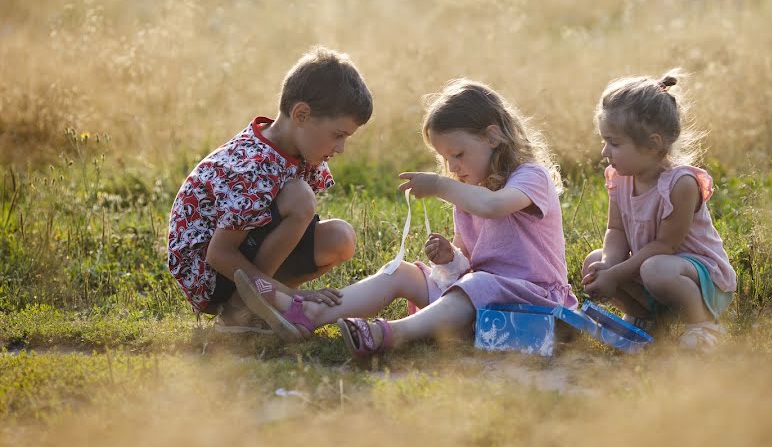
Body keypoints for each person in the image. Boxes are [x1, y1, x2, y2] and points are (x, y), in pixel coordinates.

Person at [237, 78, 577, 352]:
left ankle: (390, 334)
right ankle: (308, 314)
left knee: (479, 283)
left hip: (535, 300)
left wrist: (440, 185)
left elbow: (493, 207)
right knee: (403, 272)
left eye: (458, 154)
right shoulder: (469, 192)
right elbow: (467, 266)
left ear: (493, 136)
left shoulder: (530, 177)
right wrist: (449, 258)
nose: (453, 168)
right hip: (480, 299)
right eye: (446, 160)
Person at [166, 46, 371, 338]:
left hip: (246, 255)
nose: (341, 148)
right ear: (301, 114)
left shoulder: (300, 151)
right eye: (338, 135)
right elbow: (218, 254)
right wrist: (287, 293)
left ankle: (262, 303)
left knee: (341, 238)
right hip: (209, 273)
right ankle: (242, 309)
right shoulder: (254, 166)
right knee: (300, 198)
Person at [581, 70, 737, 351]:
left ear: (653, 144)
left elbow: (666, 245)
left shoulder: (681, 184)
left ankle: (703, 323)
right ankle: (645, 318)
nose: (605, 151)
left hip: (698, 277)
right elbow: (615, 230)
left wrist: (617, 274)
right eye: (605, 141)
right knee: (595, 259)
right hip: (652, 269)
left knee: (655, 268)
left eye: (614, 143)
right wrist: (608, 265)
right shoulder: (619, 177)